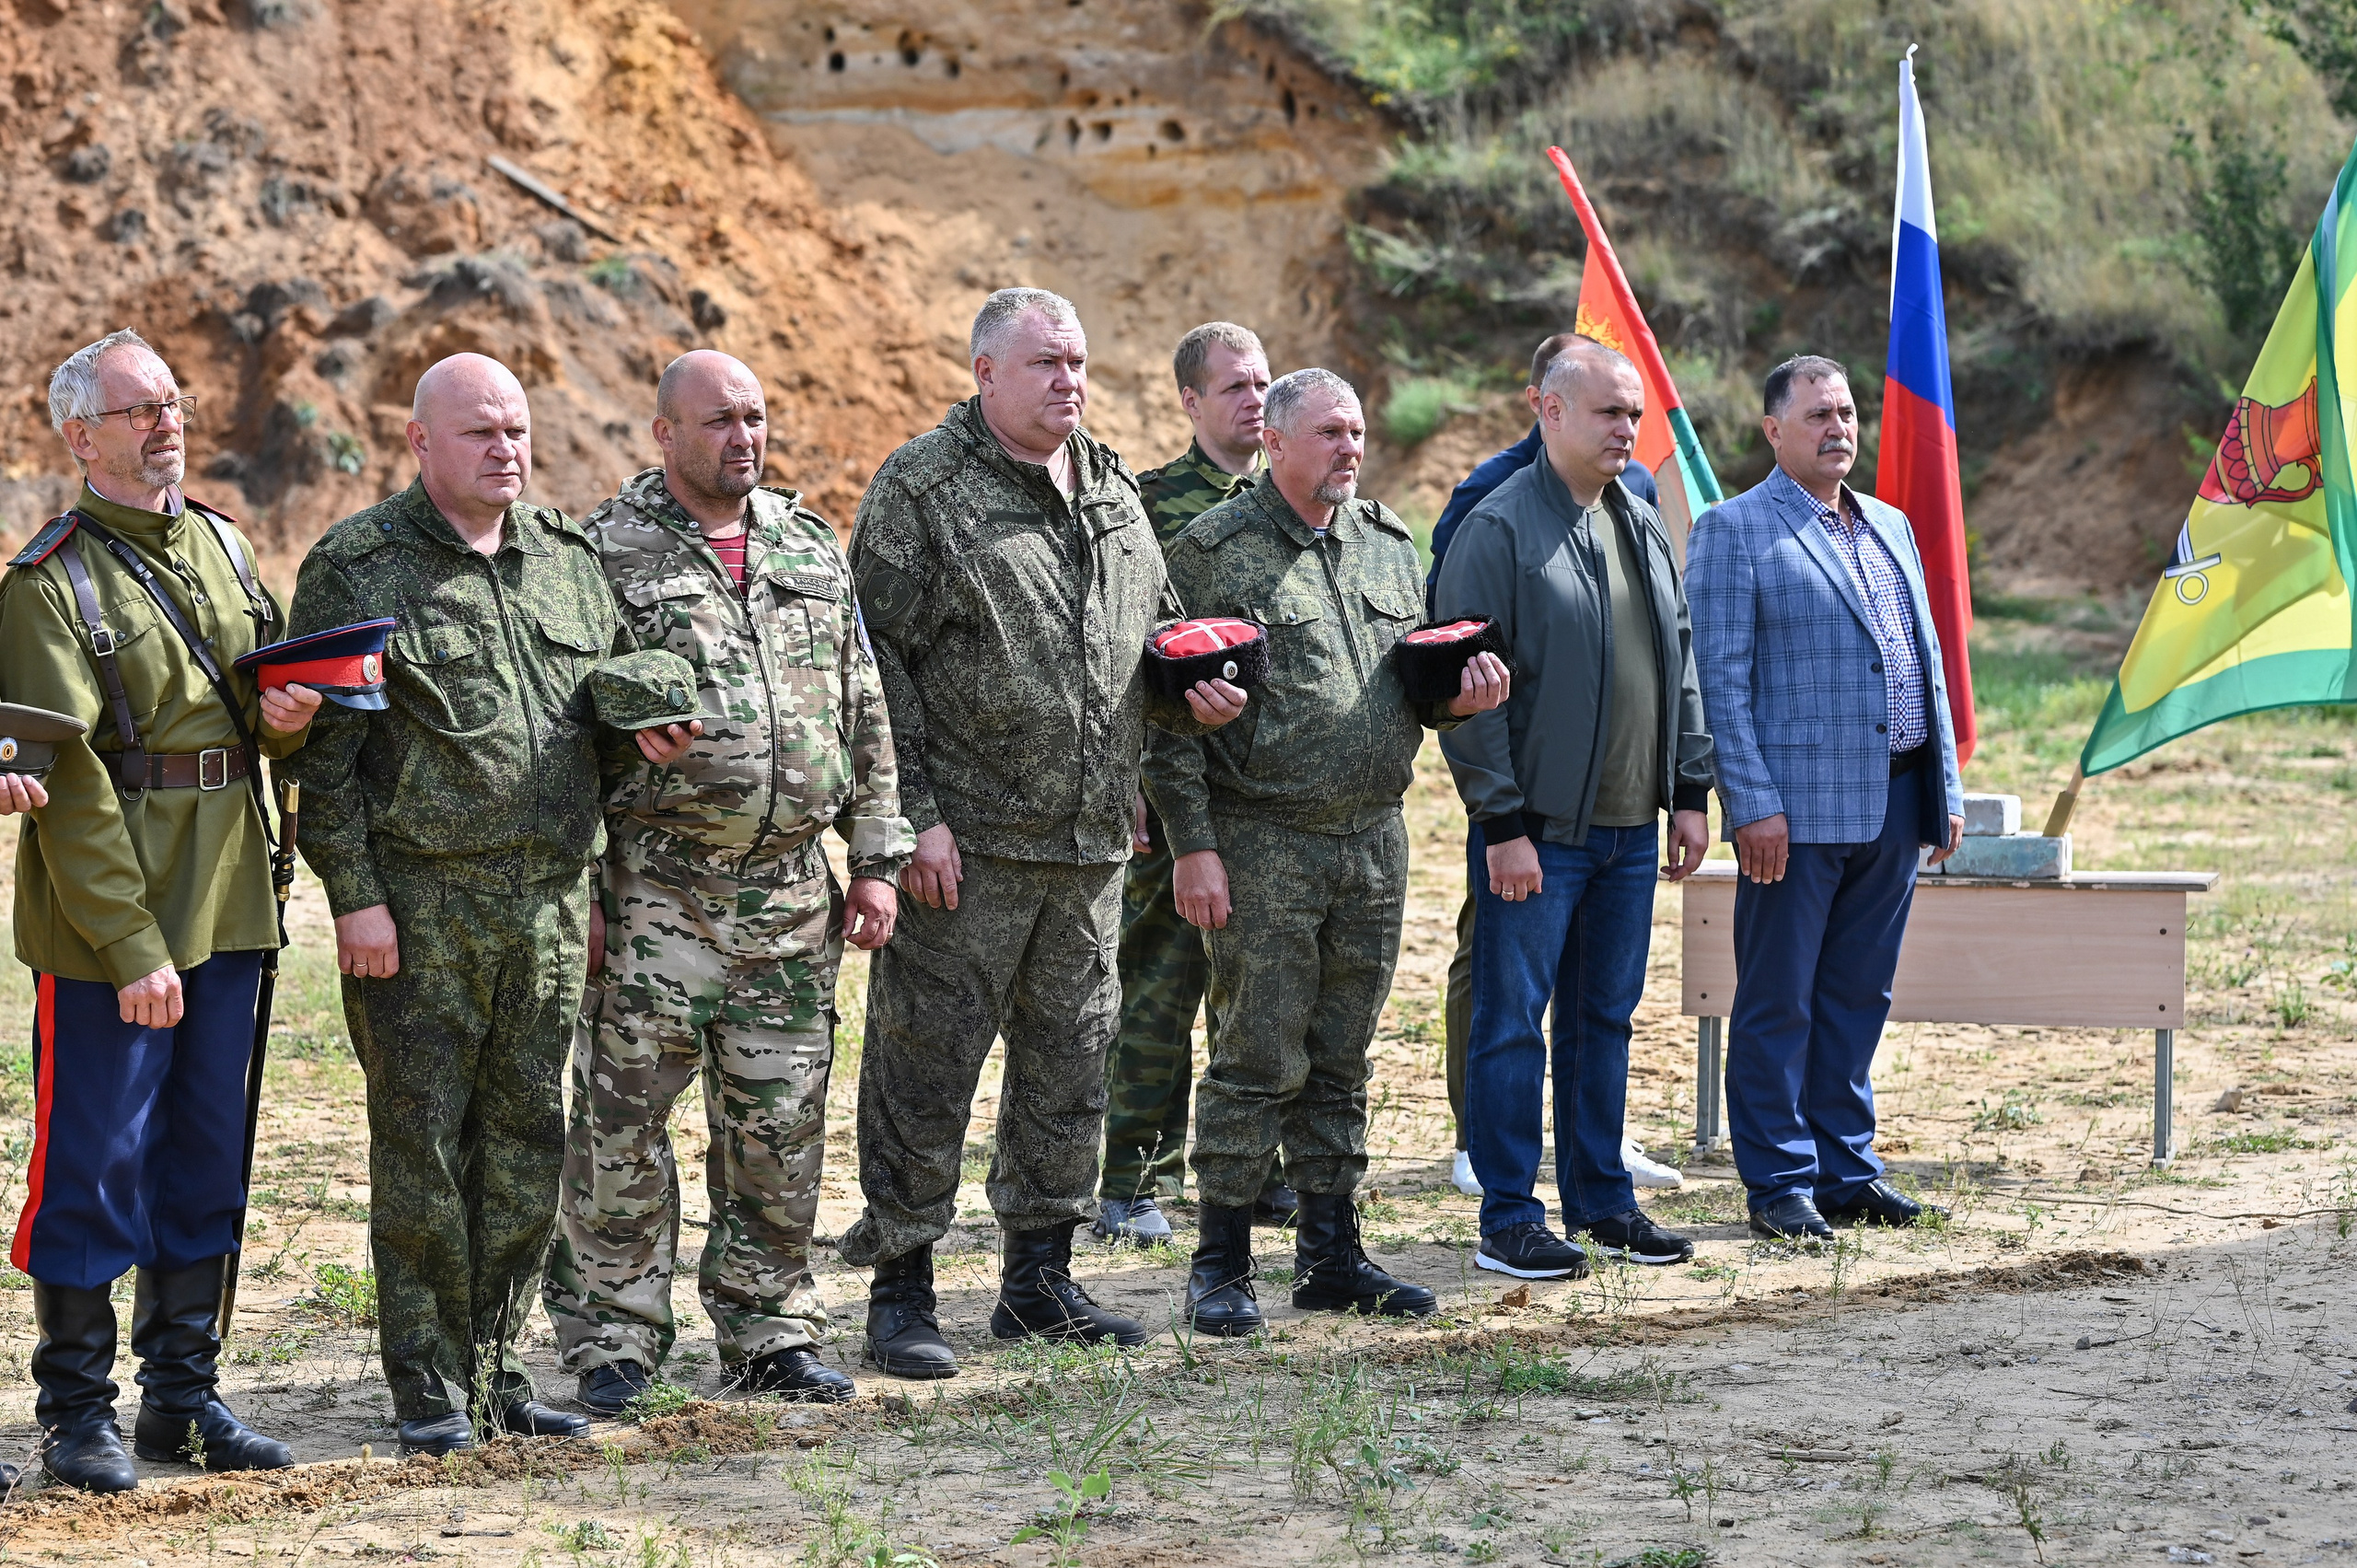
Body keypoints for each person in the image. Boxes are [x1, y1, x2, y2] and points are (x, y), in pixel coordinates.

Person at [284, 353, 697, 1454]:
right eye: (480, 433)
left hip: (549, 905)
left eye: (516, 430)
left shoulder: (566, 561)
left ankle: (498, 1362)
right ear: (421, 443)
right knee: (422, 1142)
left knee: (525, 1140)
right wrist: (356, 900)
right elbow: (324, 763)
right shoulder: (357, 564)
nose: (505, 450)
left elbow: (598, 720)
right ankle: (427, 1384)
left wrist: (642, 739)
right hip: (421, 905)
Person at [842, 288, 1247, 1380]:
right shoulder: (921, 489)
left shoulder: (1111, 483)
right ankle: (902, 1287)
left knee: (1070, 1065)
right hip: (964, 851)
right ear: (984, 373)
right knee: (925, 1074)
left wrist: (1187, 685)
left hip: (1088, 851)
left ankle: (1038, 1279)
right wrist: (912, 818)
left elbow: (1145, 635)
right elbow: (873, 670)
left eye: (1077, 361)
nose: (1067, 380)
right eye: (1043, 364)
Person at [542, 352, 912, 1412]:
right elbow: (567, 733)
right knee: (622, 1119)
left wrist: (876, 855)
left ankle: (768, 1327)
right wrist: (588, 892)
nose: (741, 437)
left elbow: (863, 703)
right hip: (657, 886)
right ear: (664, 433)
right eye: (717, 421)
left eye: (754, 417)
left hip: (793, 888)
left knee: (780, 1120)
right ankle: (613, 1336)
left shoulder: (804, 541)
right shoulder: (601, 551)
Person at [0, 329, 319, 1491]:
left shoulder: (229, 547)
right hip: (110, 921)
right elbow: (68, 792)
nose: (166, 421)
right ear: (81, 436)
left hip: (229, 897)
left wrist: (294, 720)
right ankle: (74, 1412)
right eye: (139, 409)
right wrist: (131, 947)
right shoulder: (51, 582)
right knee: (94, 1163)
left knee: (206, 1157)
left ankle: (183, 1399)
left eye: (173, 402)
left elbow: (267, 700)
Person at [1147, 368, 1509, 1337]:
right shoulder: (1212, 550)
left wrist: (1454, 700)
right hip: (1262, 838)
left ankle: (1332, 1251)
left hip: (1372, 839)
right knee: (1254, 1053)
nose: (1349, 447)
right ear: (1273, 441)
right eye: (1328, 433)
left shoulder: (1390, 546)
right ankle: (1220, 1257)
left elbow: (1407, 689)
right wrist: (1194, 848)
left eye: (1356, 432)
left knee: (1342, 1056)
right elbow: (1165, 715)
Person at [1434, 341, 1712, 1281]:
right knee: (1511, 1021)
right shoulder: (1497, 526)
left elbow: (1678, 659)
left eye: (1633, 415)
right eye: (1607, 413)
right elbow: (1461, 693)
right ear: (1548, 411)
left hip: (1633, 832)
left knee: (1604, 1017)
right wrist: (1500, 822)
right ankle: (1508, 1213)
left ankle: (1601, 1200)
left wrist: (1686, 790)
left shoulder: (1638, 519)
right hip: (1538, 834)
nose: (1626, 431)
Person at [1686, 354, 1964, 1242]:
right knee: (1778, 1001)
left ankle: (1848, 1170)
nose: (1838, 428)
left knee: (1858, 997)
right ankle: (1779, 1183)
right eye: (1816, 416)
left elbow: (1922, 660)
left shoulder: (1890, 523)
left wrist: (1945, 785)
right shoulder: (1735, 530)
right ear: (1773, 431)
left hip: (1894, 803)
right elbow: (1720, 681)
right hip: (1792, 819)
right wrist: (1752, 803)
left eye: (1846, 412)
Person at [1097, 320, 1294, 1246]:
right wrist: (1137, 774)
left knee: (1262, 994)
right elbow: (1119, 651)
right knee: (1159, 988)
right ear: (1189, 400)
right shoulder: (1147, 506)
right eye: (1233, 388)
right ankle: (1133, 1178)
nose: (1252, 400)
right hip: (1176, 790)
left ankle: (1252, 1169)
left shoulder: (1288, 502)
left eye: (1262, 384)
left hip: (1268, 792)